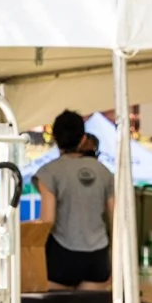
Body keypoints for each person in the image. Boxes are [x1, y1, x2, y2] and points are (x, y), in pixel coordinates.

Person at [36, 110, 114, 291]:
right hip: (98, 257)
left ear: (55, 138)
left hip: (62, 257)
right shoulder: (104, 172)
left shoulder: (48, 173)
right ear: (83, 138)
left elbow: (47, 220)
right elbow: (116, 219)